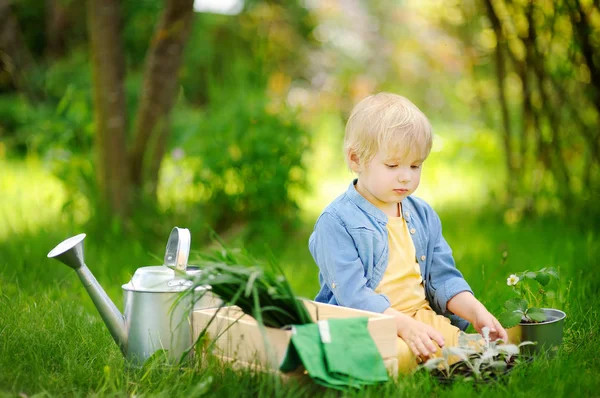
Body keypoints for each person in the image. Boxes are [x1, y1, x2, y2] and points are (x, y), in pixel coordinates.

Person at [308, 92, 507, 372]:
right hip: (367, 323)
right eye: (392, 165)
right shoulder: (336, 221)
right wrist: (402, 326)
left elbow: (443, 277)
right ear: (356, 160)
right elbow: (353, 296)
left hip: (420, 317)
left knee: (479, 355)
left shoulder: (422, 215)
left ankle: (458, 360)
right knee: (398, 356)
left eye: (415, 165)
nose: (406, 176)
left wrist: (477, 312)